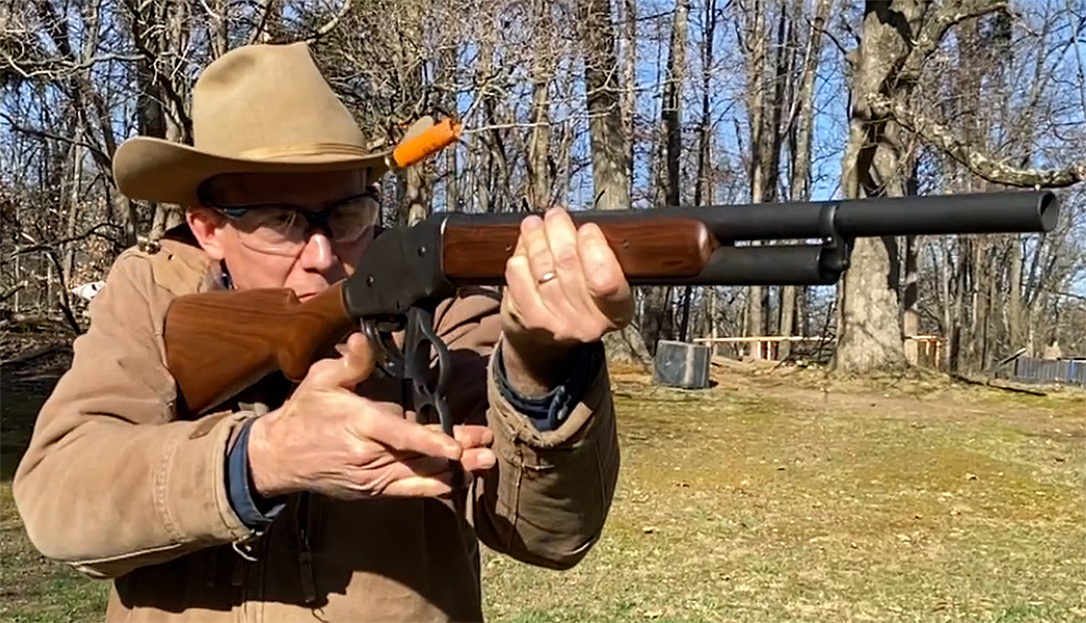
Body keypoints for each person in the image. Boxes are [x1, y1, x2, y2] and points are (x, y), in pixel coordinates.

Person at [12, 42, 629, 622]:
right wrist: (262, 458)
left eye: (345, 214)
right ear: (206, 229)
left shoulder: (438, 303)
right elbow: (59, 502)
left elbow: (551, 532)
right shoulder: (153, 293)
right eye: (281, 220)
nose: (321, 254)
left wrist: (541, 364)